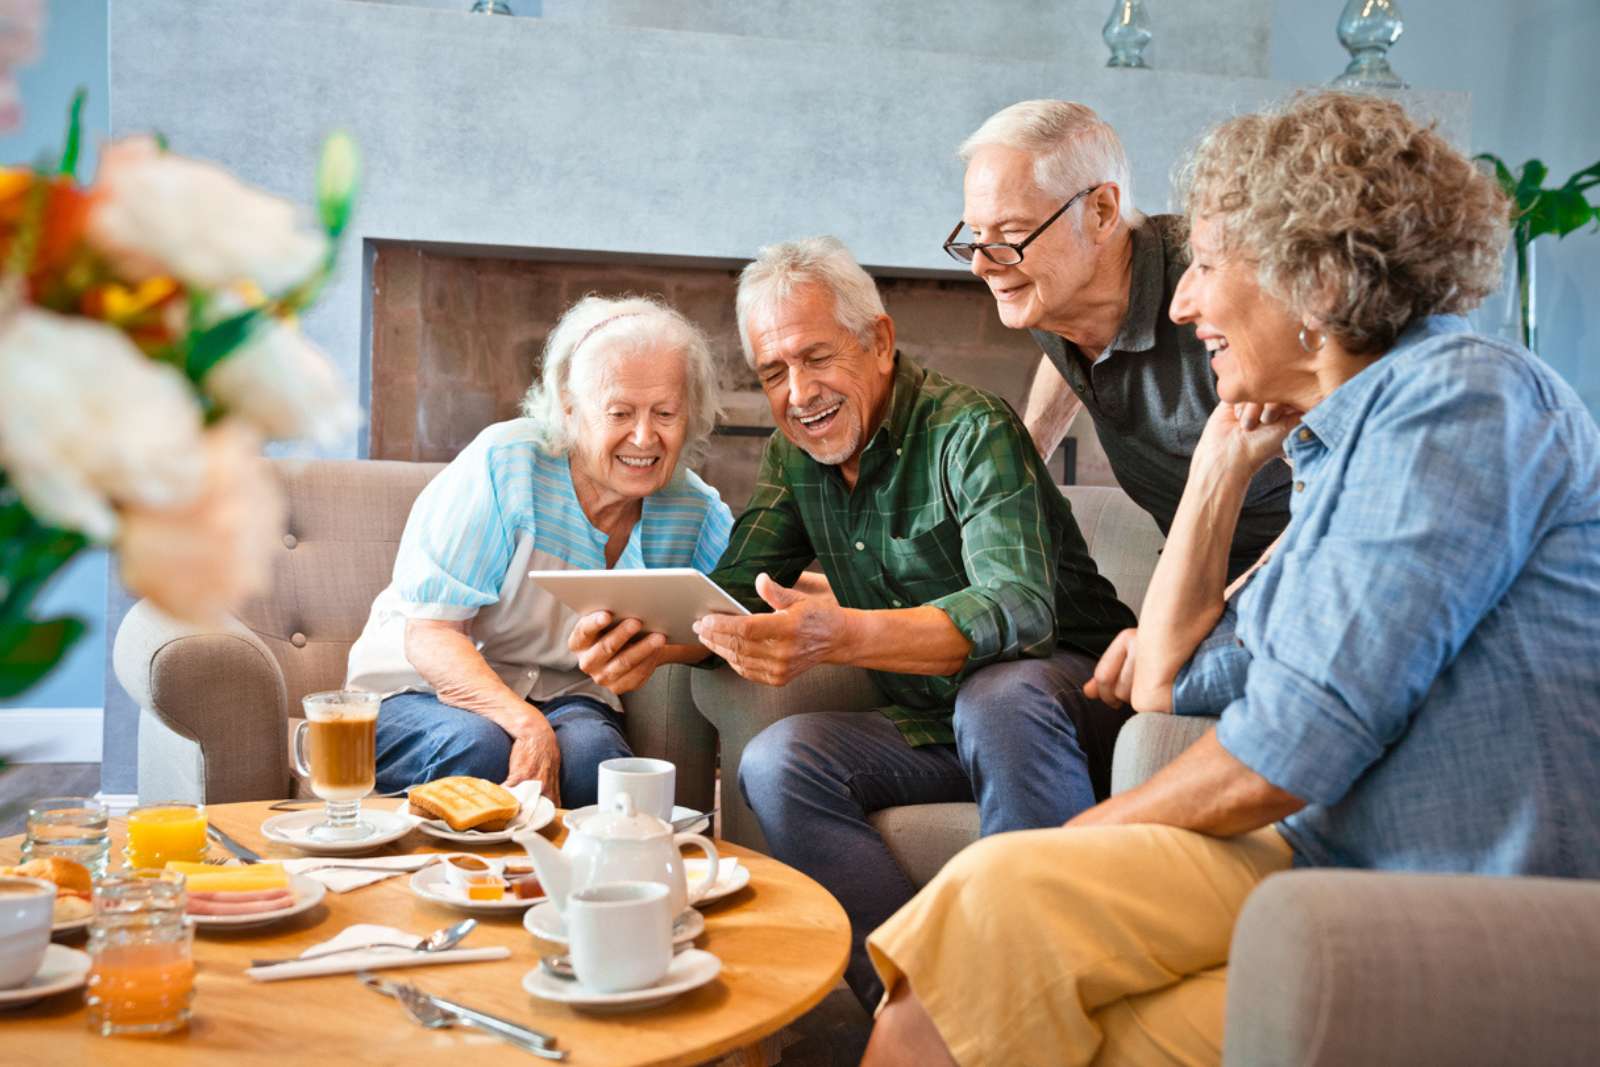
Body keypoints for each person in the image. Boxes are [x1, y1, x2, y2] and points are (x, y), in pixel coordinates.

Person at [861, 91, 1600, 1067]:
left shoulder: (1459, 402)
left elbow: (1288, 745)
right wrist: (1218, 458)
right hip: (1328, 856)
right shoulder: (1339, 450)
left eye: (1205, 265)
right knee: (984, 945)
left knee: (1025, 952)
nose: (1181, 303)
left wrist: (1062, 843)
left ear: (1313, 277)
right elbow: (1171, 680)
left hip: (1452, 890)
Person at [571, 236, 1136, 1009]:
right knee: (779, 761)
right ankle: (919, 1004)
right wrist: (649, 639)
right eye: (774, 372)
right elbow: (737, 590)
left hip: (1073, 702)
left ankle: (1041, 996)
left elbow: (1019, 607)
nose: (800, 392)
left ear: (879, 341)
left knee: (997, 695)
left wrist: (844, 632)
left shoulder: (970, 428)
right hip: (937, 722)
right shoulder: (795, 456)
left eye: (816, 357)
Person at [344, 295, 733, 806]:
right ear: (570, 408)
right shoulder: (506, 465)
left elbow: (730, 620)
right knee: (481, 750)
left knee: (596, 766)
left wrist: (657, 652)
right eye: (619, 412)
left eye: (665, 413)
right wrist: (528, 727)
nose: (644, 437)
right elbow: (432, 633)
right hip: (418, 690)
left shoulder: (694, 511)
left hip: (565, 696)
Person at [951, 99, 1290, 581]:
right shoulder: (1049, 292)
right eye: (976, 234)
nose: (981, 264)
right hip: (1197, 564)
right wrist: (1028, 462)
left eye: (1011, 232)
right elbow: (1066, 345)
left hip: (1291, 561)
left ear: (1101, 212)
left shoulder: (1211, 288)